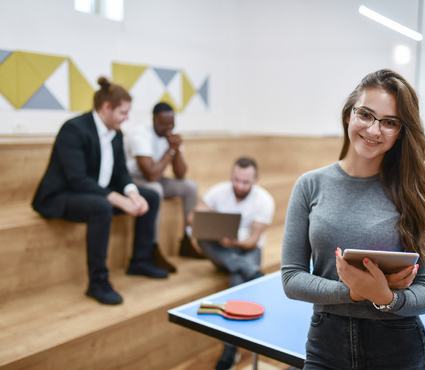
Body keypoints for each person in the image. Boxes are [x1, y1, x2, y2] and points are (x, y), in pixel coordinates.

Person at [281, 69, 425, 369]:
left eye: (390, 122)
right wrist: (355, 292)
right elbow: (292, 279)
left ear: (401, 132)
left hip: (398, 347)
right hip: (325, 346)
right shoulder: (309, 185)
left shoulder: (415, 194)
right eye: (365, 114)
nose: (374, 130)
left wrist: (387, 298)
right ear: (348, 116)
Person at [32, 77, 169, 306]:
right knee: (101, 206)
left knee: (151, 196)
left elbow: (122, 173)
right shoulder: (73, 129)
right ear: (107, 108)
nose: (127, 118)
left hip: (97, 191)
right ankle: (98, 282)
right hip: (63, 196)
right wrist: (118, 199)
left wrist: (132, 194)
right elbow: (77, 180)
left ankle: (140, 260)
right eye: (123, 112)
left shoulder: (116, 133)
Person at [196, 157, 275, 370]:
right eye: (236, 180)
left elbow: (251, 242)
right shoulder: (218, 191)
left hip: (246, 250)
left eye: (245, 182)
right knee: (202, 238)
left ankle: (230, 348)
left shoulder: (264, 201)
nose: (239, 186)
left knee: (237, 281)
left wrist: (234, 241)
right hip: (222, 249)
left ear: (255, 179)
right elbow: (193, 218)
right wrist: (214, 225)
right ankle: (251, 272)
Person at [125, 102, 201, 271]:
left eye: (172, 123)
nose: (169, 127)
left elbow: (180, 174)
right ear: (154, 120)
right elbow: (150, 174)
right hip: (134, 180)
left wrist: (176, 151)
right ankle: (154, 247)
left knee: (190, 187)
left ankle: (188, 240)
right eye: (164, 123)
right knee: (155, 190)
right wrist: (171, 151)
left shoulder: (170, 137)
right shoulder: (140, 135)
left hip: (157, 177)